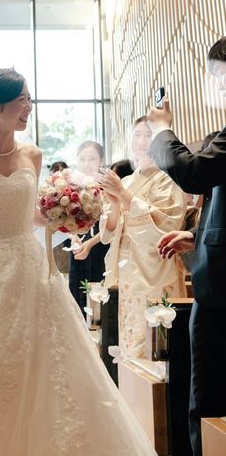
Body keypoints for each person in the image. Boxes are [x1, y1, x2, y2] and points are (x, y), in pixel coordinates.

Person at [0, 69, 156, 455]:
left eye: (29, 99)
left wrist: (72, 216)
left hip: (31, 268)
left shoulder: (32, 155)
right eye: (22, 99)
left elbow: (33, 215)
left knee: (48, 359)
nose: (29, 107)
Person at [148, 37, 226, 456]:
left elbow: (192, 172)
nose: (219, 88)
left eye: (220, 78)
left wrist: (162, 129)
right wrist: (196, 235)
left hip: (220, 290)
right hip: (216, 278)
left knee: (208, 400)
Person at [97, 117, 187, 359]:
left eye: (148, 135)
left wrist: (122, 194)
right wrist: (115, 203)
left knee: (154, 343)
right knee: (130, 336)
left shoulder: (170, 178)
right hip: (129, 271)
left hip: (155, 270)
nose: (142, 141)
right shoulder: (128, 180)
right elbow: (110, 232)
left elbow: (166, 225)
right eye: (137, 135)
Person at [68, 141, 109, 308]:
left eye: (92, 159)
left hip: (102, 244)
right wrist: (73, 237)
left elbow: (112, 224)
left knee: (101, 298)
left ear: (101, 161)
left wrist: (91, 243)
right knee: (78, 295)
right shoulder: (71, 188)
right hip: (77, 246)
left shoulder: (108, 187)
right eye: (82, 159)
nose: (87, 164)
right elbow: (65, 221)